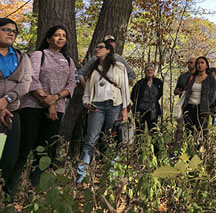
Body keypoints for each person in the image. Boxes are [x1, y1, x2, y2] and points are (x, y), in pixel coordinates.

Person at [8, 26, 76, 193]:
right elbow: (31, 78)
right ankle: (9, 190)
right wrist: (49, 102)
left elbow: (71, 84)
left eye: (64, 36)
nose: (61, 38)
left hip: (57, 110)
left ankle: (34, 190)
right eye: (56, 35)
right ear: (48, 38)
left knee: (46, 151)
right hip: (32, 106)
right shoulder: (39, 55)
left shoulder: (68, 60)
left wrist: (56, 98)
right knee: (24, 150)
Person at [76, 40, 130, 183]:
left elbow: (125, 88)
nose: (96, 49)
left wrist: (125, 109)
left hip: (114, 105)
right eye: (96, 47)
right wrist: (86, 103)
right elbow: (87, 92)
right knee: (90, 140)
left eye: (100, 47)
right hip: (97, 107)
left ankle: (111, 176)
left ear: (108, 50)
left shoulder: (119, 67)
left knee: (111, 139)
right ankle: (81, 177)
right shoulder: (93, 70)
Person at [0, 18, 32, 198]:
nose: (11, 33)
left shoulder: (22, 56)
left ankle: (5, 197)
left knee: (9, 157)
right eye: (6, 29)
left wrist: (6, 100)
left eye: (14, 31)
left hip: (12, 113)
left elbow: (25, 83)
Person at [181, 57, 216, 137]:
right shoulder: (191, 78)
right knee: (188, 132)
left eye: (202, 63)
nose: (200, 65)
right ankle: (190, 148)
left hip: (203, 109)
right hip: (189, 108)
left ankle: (202, 149)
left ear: (206, 65)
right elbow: (187, 92)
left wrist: (206, 104)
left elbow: (213, 96)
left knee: (202, 133)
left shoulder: (211, 79)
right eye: (198, 63)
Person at [130, 64, 163, 134]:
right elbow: (133, 96)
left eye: (151, 70)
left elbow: (160, 94)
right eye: (147, 70)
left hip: (153, 110)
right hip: (141, 111)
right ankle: (139, 144)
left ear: (153, 72)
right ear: (144, 72)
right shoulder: (140, 83)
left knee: (154, 131)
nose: (149, 72)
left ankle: (153, 145)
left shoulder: (158, 82)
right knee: (140, 130)